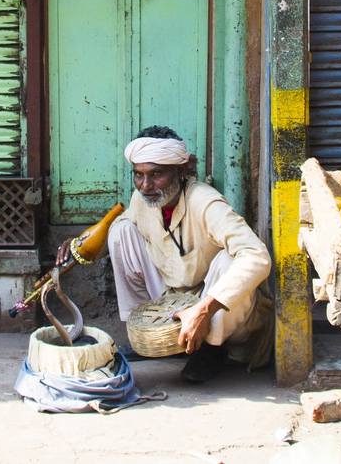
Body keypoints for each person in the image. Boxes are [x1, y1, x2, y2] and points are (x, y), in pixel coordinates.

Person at [57, 125, 272, 383]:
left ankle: (211, 350)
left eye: (156, 174)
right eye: (138, 175)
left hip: (220, 311)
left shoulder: (205, 202)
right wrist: (77, 246)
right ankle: (147, 334)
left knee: (230, 260)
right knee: (122, 230)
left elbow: (257, 255)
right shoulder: (142, 200)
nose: (145, 185)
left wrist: (204, 309)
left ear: (181, 171)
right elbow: (114, 241)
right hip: (175, 299)